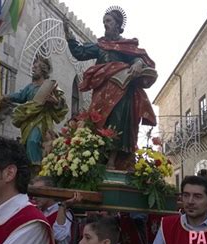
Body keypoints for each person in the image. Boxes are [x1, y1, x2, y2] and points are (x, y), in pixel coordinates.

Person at [64, 6, 157, 170]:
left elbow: (142, 58)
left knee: (117, 123)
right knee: (98, 122)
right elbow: (80, 52)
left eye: (108, 21)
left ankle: (113, 161)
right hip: (101, 94)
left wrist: (137, 63)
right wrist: (70, 37)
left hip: (121, 93)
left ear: (117, 24)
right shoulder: (100, 46)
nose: (105, 24)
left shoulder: (125, 45)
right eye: (104, 21)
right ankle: (95, 158)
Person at [0, 57, 68, 166]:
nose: (33, 69)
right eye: (33, 67)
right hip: (28, 119)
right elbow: (20, 96)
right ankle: (31, 167)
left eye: (36, 67)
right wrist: (5, 97)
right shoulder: (30, 87)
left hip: (42, 121)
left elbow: (64, 105)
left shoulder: (51, 86)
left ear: (43, 70)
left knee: (33, 142)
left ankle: (36, 167)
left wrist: (56, 102)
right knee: (26, 144)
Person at [31, 176, 81, 244]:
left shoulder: (64, 212)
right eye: (34, 192)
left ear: (50, 191)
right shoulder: (38, 212)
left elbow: (59, 235)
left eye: (39, 192)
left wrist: (63, 206)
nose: (34, 197)